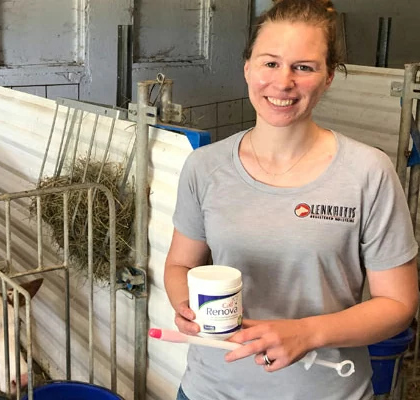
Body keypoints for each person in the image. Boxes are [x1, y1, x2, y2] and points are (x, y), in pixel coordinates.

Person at [163, 0, 419, 399]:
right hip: (210, 389)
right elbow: (181, 262)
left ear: (329, 76)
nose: (283, 82)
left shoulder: (368, 172)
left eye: (304, 67)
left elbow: (398, 303)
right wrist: (185, 305)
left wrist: (307, 332)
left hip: (327, 388)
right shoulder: (204, 167)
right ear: (247, 67)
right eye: (270, 63)